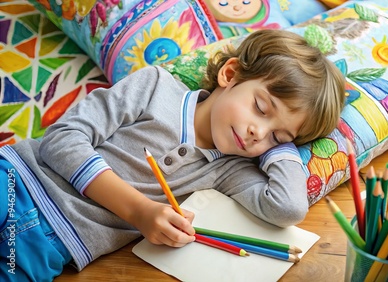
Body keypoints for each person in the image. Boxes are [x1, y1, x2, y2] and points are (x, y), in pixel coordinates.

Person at [0, 29, 345, 281]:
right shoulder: (155, 87)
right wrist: (139, 211)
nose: (258, 132)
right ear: (230, 74)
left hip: (53, 246)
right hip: (17, 181)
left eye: (278, 136)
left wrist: (281, 148)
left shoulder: (231, 171)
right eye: (260, 108)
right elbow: (62, 139)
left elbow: (287, 207)